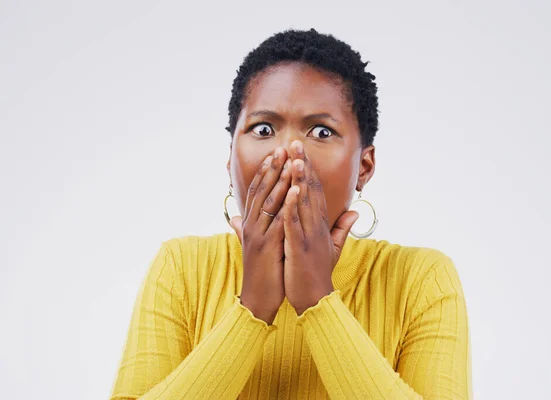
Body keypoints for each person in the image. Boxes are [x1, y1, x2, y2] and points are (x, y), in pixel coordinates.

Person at [110, 28, 472, 399]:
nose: (287, 153)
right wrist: (252, 306)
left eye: (321, 131)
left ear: (363, 166)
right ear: (231, 157)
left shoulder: (423, 280)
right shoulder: (181, 268)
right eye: (263, 128)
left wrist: (318, 299)